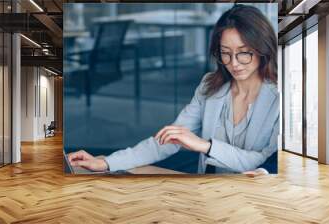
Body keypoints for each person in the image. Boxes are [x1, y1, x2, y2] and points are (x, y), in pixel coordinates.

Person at [68, 4, 279, 175]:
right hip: (209, 193)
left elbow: (263, 161)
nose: (234, 63)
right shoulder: (209, 86)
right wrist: (105, 162)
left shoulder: (279, 96)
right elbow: (166, 141)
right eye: (225, 53)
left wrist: (205, 146)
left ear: (262, 48)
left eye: (244, 53)